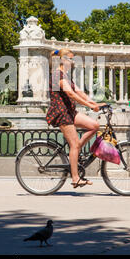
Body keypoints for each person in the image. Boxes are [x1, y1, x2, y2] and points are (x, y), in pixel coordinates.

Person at [46, 48, 107, 189]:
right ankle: (75, 178)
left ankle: (77, 150)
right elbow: (70, 94)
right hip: (61, 113)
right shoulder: (56, 75)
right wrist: (90, 106)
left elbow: (79, 92)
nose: (72, 61)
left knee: (94, 126)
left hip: (70, 111)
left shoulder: (66, 75)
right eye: (70, 59)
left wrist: (94, 103)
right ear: (63, 60)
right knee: (74, 145)